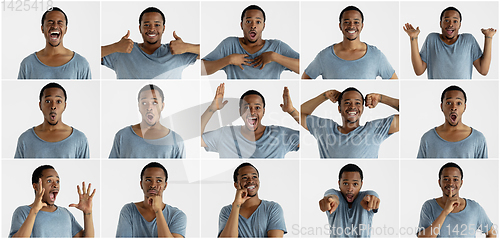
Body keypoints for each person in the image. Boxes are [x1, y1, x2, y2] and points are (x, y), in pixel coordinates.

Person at [201, 83, 299, 158]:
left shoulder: (280, 135)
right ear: (240, 111)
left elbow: (311, 134)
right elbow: (193, 139)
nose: (252, 112)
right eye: (246, 107)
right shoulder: (225, 134)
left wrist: (292, 111)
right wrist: (212, 109)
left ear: (263, 111)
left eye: (257, 107)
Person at [202, 5, 299, 79]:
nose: (253, 25)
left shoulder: (277, 47)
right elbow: (201, 69)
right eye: (248, 21)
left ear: (263, 26)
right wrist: (229, 59)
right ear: (241, 25)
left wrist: (275, 57)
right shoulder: (229, 45)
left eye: (258, 22)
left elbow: (302, 67)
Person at [101, 7, 199, 79]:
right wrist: (115, 47)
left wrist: (187, 47)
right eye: (147, 24)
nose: (152, 29)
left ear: (163, 28)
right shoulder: (122, 52)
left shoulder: (177, 52)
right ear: (140, 28)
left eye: (157, 24)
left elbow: (211, 54)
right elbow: (90, 55)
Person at [302, 6, 397, 79]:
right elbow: (305, 80)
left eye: (356, 22)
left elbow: (395, 83)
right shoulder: (324, 56)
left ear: (362, 26)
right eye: (347, 22)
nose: (351, 26)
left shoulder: (376, 55)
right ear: (340, 26)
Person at [301, 87, 399, 158]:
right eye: (347, 103)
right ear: (339, 108)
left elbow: (409, 114)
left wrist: (381, 98)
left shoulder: (375, 129)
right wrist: (325, 96)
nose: (352, 107)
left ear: (362, 108)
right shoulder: (325, 129)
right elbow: (299, 114)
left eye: (357, 103)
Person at [403, 6, 497, 79]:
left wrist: (488, 37)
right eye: (447, 20)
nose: (451, 24)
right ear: (440, 23)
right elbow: (419, 71)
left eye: (455, 21)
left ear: (460, 24)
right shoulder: (432, 39)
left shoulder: (468, 40)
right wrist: (413, 38)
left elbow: (483, 70)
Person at [9, 165, 95, 237]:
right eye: (49, 181)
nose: (55, 185)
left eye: (57, 181)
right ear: (35, 186)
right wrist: (34, 210)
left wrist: (88, 212)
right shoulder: (22, 212)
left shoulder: (66, 214)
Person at [416, 162, 496, 237]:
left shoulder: (474, 208)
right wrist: (445, 212)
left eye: (455, 179)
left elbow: (492, 233)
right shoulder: (429, 206)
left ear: (461, 183)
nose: (450, 183)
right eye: (446, 179)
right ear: (439, 182)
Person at [15, 82, 89, 158]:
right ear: (40, 105)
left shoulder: (79, 139)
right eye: (48, 101)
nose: (53, 106)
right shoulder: (25, 139)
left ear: (65, 106)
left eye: (58, 101)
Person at [109, 84, 185, 158]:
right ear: (139, 106)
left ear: (162, 106)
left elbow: (179, 170)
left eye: (154, 102)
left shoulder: (176, 141)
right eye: (144, 103)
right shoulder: (122, 136)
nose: (149, 107)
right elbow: (111, 169)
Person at [116, 162, 186, 237]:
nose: (153, 185)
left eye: (159, 180)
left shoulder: (177, 215)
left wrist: (158, 210)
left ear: (165, 185)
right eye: (148, 180)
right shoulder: (129, 211)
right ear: (141, 184)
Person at [18, 7, 91, 79]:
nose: (55, 26)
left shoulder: (81, 64)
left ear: (65, 29)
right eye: (50, 22)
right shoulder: (27, 64)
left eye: (60, 23)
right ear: (42, 29)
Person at [417, 85, 487, 158]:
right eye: (448, 103)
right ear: (441, 106)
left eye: (459, 103)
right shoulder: (428, 138)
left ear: (464, 107)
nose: (453, 107)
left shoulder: (478, 139)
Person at [219, 162, 286, 237]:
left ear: (259, 181)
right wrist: (236, 204)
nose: (250, 181)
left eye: (254, 177)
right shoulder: (226, 212)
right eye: (244, 178)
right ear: (236, 185)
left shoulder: (272, 208)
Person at [319, 164, 380, 237]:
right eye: (345, 183)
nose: (350, 189)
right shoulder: (335, 196)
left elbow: (371, 194)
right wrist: (330, 200)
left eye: (355, 184)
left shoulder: (365, 198)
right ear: (339, 183)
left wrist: (373, 199)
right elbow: (330, 195)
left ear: (361, 184)